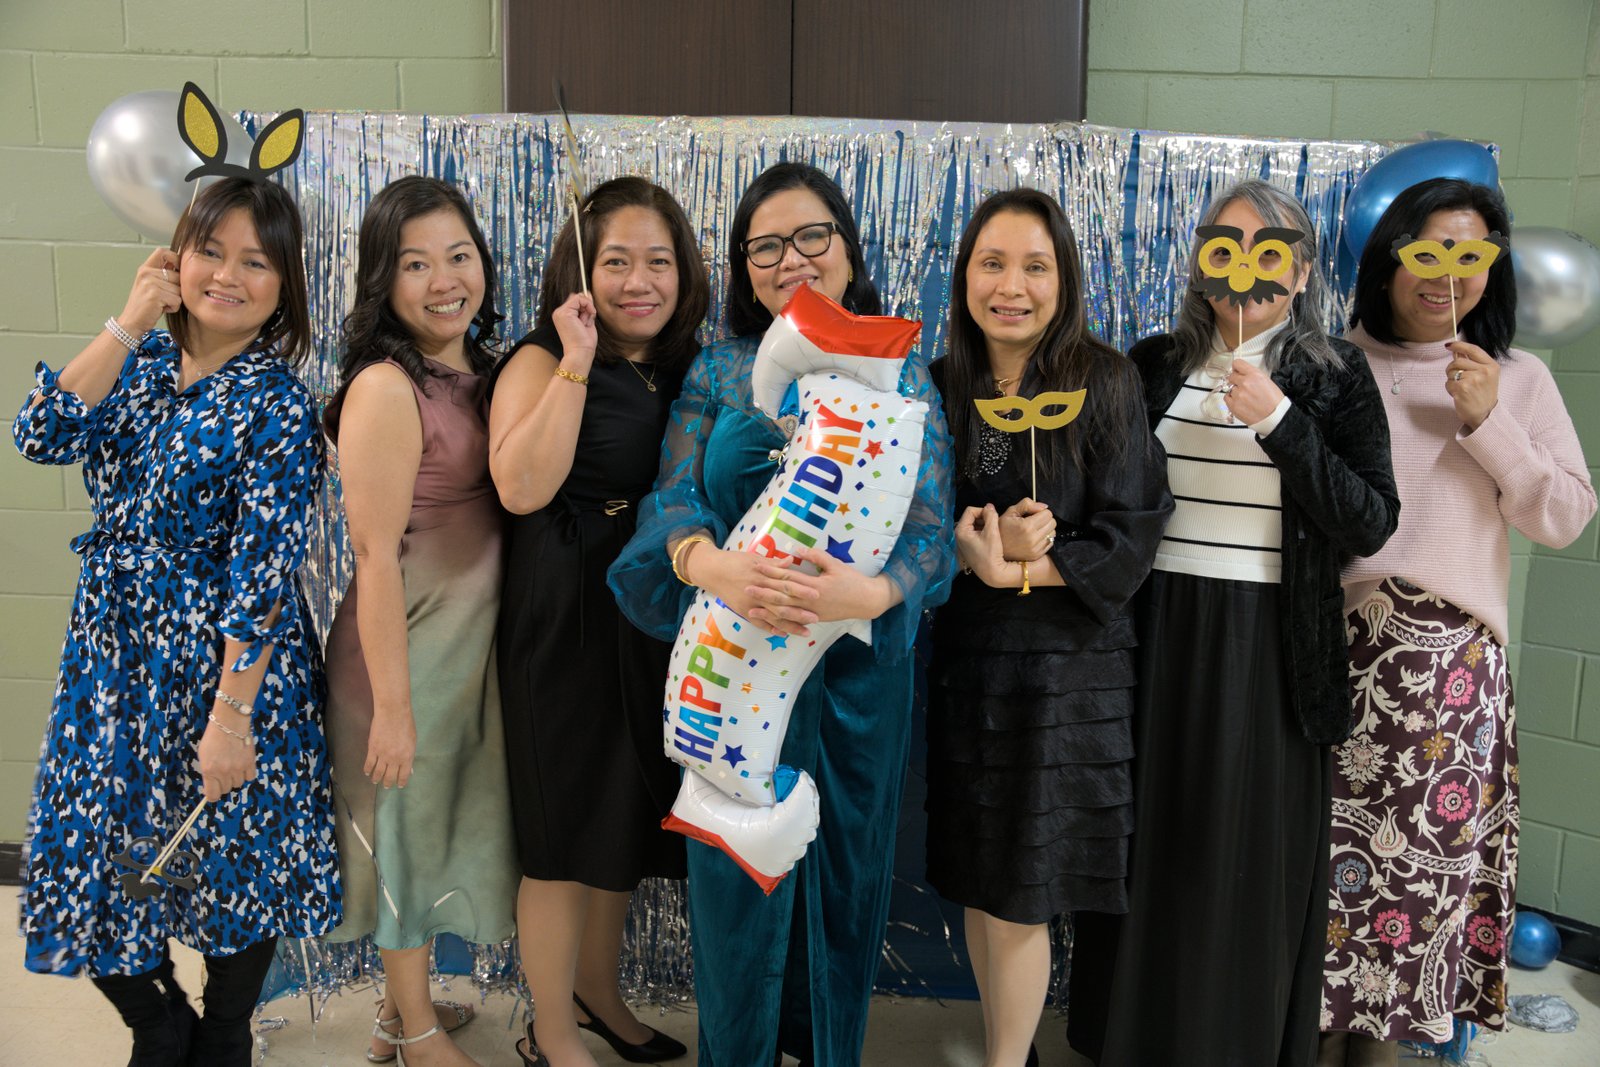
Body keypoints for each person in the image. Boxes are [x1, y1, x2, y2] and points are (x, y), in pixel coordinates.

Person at [608, 161, 956, 1066]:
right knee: (735, 898)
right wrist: (713, 566)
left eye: (811, 237)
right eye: (765, 247)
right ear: (743, 268)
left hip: (852, 684)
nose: (790, 260)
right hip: (734, 670)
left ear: (848, 248)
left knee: (842, 889)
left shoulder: (900, 373)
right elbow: (672, 499)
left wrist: (872, 593)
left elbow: (932, 527)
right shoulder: (720, 371)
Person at [1067, 179, 1400, 1067]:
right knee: (1146, 849)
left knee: (1242, 857)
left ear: (1301, 272)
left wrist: (1282, 422)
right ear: (1200, 262)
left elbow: (1371, 520)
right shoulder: (1151, 364)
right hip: (1154, 632)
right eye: (1226, 246)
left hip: (1272, 645)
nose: (1246, 270)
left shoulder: (1334, 375)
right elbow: (1101, 496)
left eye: (1270, 251)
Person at [12, 176, 340, 1066]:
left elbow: (260, 576)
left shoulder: (278, 403)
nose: (228, 275)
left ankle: (225, 1031)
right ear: (176, 258)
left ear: (284, 285)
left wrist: (230, 717)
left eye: (256, 261)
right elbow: (41, 434)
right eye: (211, 251)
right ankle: (159, 1024)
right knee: (94, 859)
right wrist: (128, 321)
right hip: (114, 661)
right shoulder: (139, 363)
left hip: (225, 669)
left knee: (234, 861)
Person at [1317, 179, 1595, 1067]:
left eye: (1470, 255)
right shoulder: (1330, 364)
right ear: (1387, 260)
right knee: (1321, 882)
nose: (1447, 275)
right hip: (1331, 657)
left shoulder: (1519, 377)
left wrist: (1490, 422)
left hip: (1450, 678)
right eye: (1427, 251)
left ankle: (1378, 1057)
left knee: (1414, 889)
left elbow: (1564, 517)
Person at [925, 188, 1170, 1067]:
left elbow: (1133, 532)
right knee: (981, 878)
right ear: (965, 275)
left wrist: (1029, 563)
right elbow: (917, 516)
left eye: (1035, 266)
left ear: (1064, 278)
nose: (1012, 287)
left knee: (1023, 890)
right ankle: (1010, 1048)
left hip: (1069, 673)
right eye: (992, 263)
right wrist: (974, 546)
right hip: (970, 664)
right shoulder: (941, 383)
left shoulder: (1105, 379)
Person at [488, 176, 708, 1067]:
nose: (638, 281)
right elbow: (521, 487)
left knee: (620, 816)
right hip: (565, 608)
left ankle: (598, 993)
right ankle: (549, 1030)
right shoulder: (542, 355)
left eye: (659, 261)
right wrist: (576, 357)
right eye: (616, 261)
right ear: (580, 270)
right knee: (560, 834)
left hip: (649, 607)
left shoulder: (688, 363)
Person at [321, 175, 519, 1067]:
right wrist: (392, 708)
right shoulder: (385, 386)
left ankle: (397, 1010)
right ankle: (417, 1032)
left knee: (432, 823)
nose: (445, 280)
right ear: (383, 279)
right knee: (399, 826)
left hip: (463, 647)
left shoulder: (488, 371)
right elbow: (371, 556)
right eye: (415, 264)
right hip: (401, 647)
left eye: (459, 255)